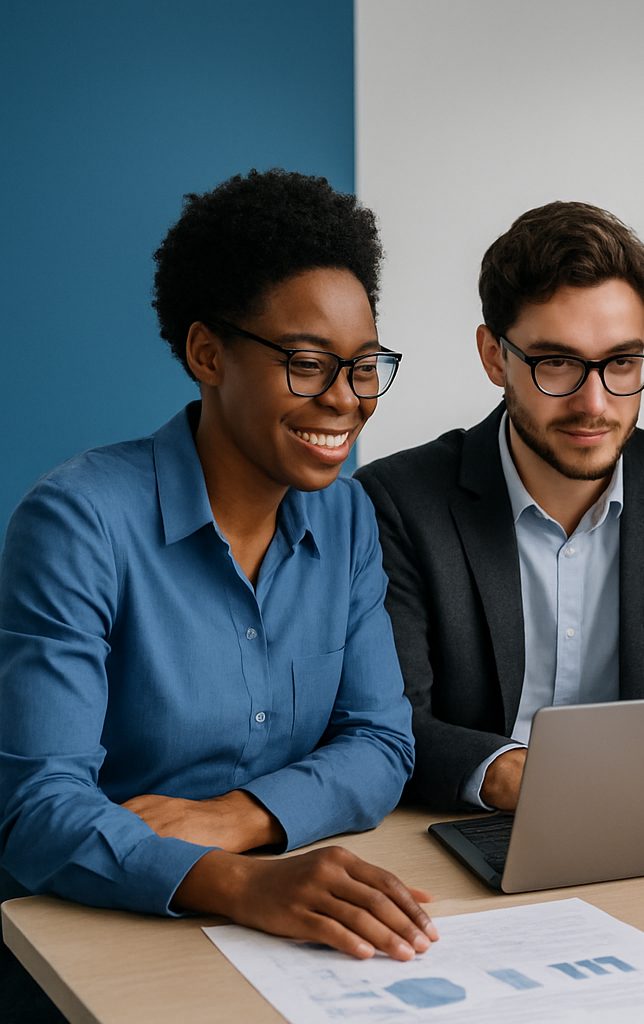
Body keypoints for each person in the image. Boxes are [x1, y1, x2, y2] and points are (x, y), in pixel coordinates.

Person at [0, 169, 438, 1020]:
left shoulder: (346, 515)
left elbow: (382, 742)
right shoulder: (78, 522)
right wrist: (238, 884)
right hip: (96, 945)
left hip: (285, 944)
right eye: (307, 364)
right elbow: (38, 808)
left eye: (363, 366)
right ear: (207, 354)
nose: (345, 399)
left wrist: (243, 818)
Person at [354, 202, 644, 812]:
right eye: (557, 363)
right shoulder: (398, 502)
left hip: (638, 814)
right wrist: (511, 775)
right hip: (468, 822)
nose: (594, 403)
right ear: (494, 356)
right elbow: (391, 723)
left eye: (621, 362)